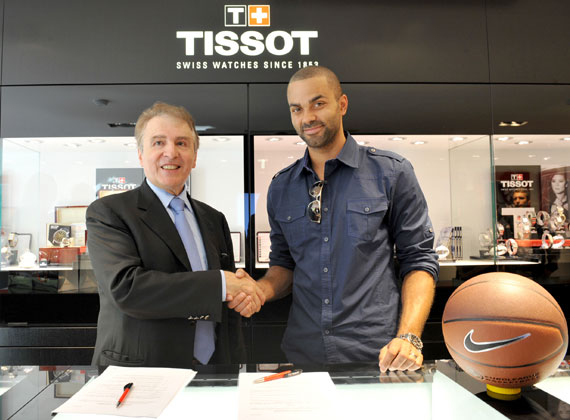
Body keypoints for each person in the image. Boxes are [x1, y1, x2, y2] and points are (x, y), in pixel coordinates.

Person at [232, 66, 438, 371]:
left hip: (379, 355)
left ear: (342, 104)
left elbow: (419, 259)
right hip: (305, 353)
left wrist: (409, 336)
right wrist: (260, 290)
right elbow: (284, 265)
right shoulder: (281, 187)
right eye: (297, 109)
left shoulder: (391, 172)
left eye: (318, 103)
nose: (307, 117)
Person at [87, 102, 264, 368]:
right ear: (140, 155)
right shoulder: (109, 212)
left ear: (194, 156)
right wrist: (223, 284)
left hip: (213, 369)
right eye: (159, 142)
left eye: (182, 143)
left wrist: (242, 300)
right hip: (142, 373)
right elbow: (127, 289)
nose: (171, 152)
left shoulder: (214, 219)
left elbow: (225, 300)